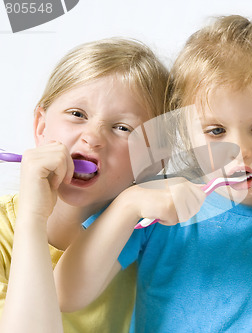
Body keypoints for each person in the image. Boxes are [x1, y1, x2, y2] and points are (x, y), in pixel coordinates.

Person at [54, 15, 252, 333]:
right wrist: (129, 203)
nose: (240, 150)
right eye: (216, 130)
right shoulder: (157, 208)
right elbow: (66, 294)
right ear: (186, 134)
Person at [0, 37, 170, 332]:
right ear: (41, 127)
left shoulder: (157, 235)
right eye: (77, 114)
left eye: (122, 128)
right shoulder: (5, 231)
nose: (92, 137)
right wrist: (32, 218)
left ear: (155, 160)